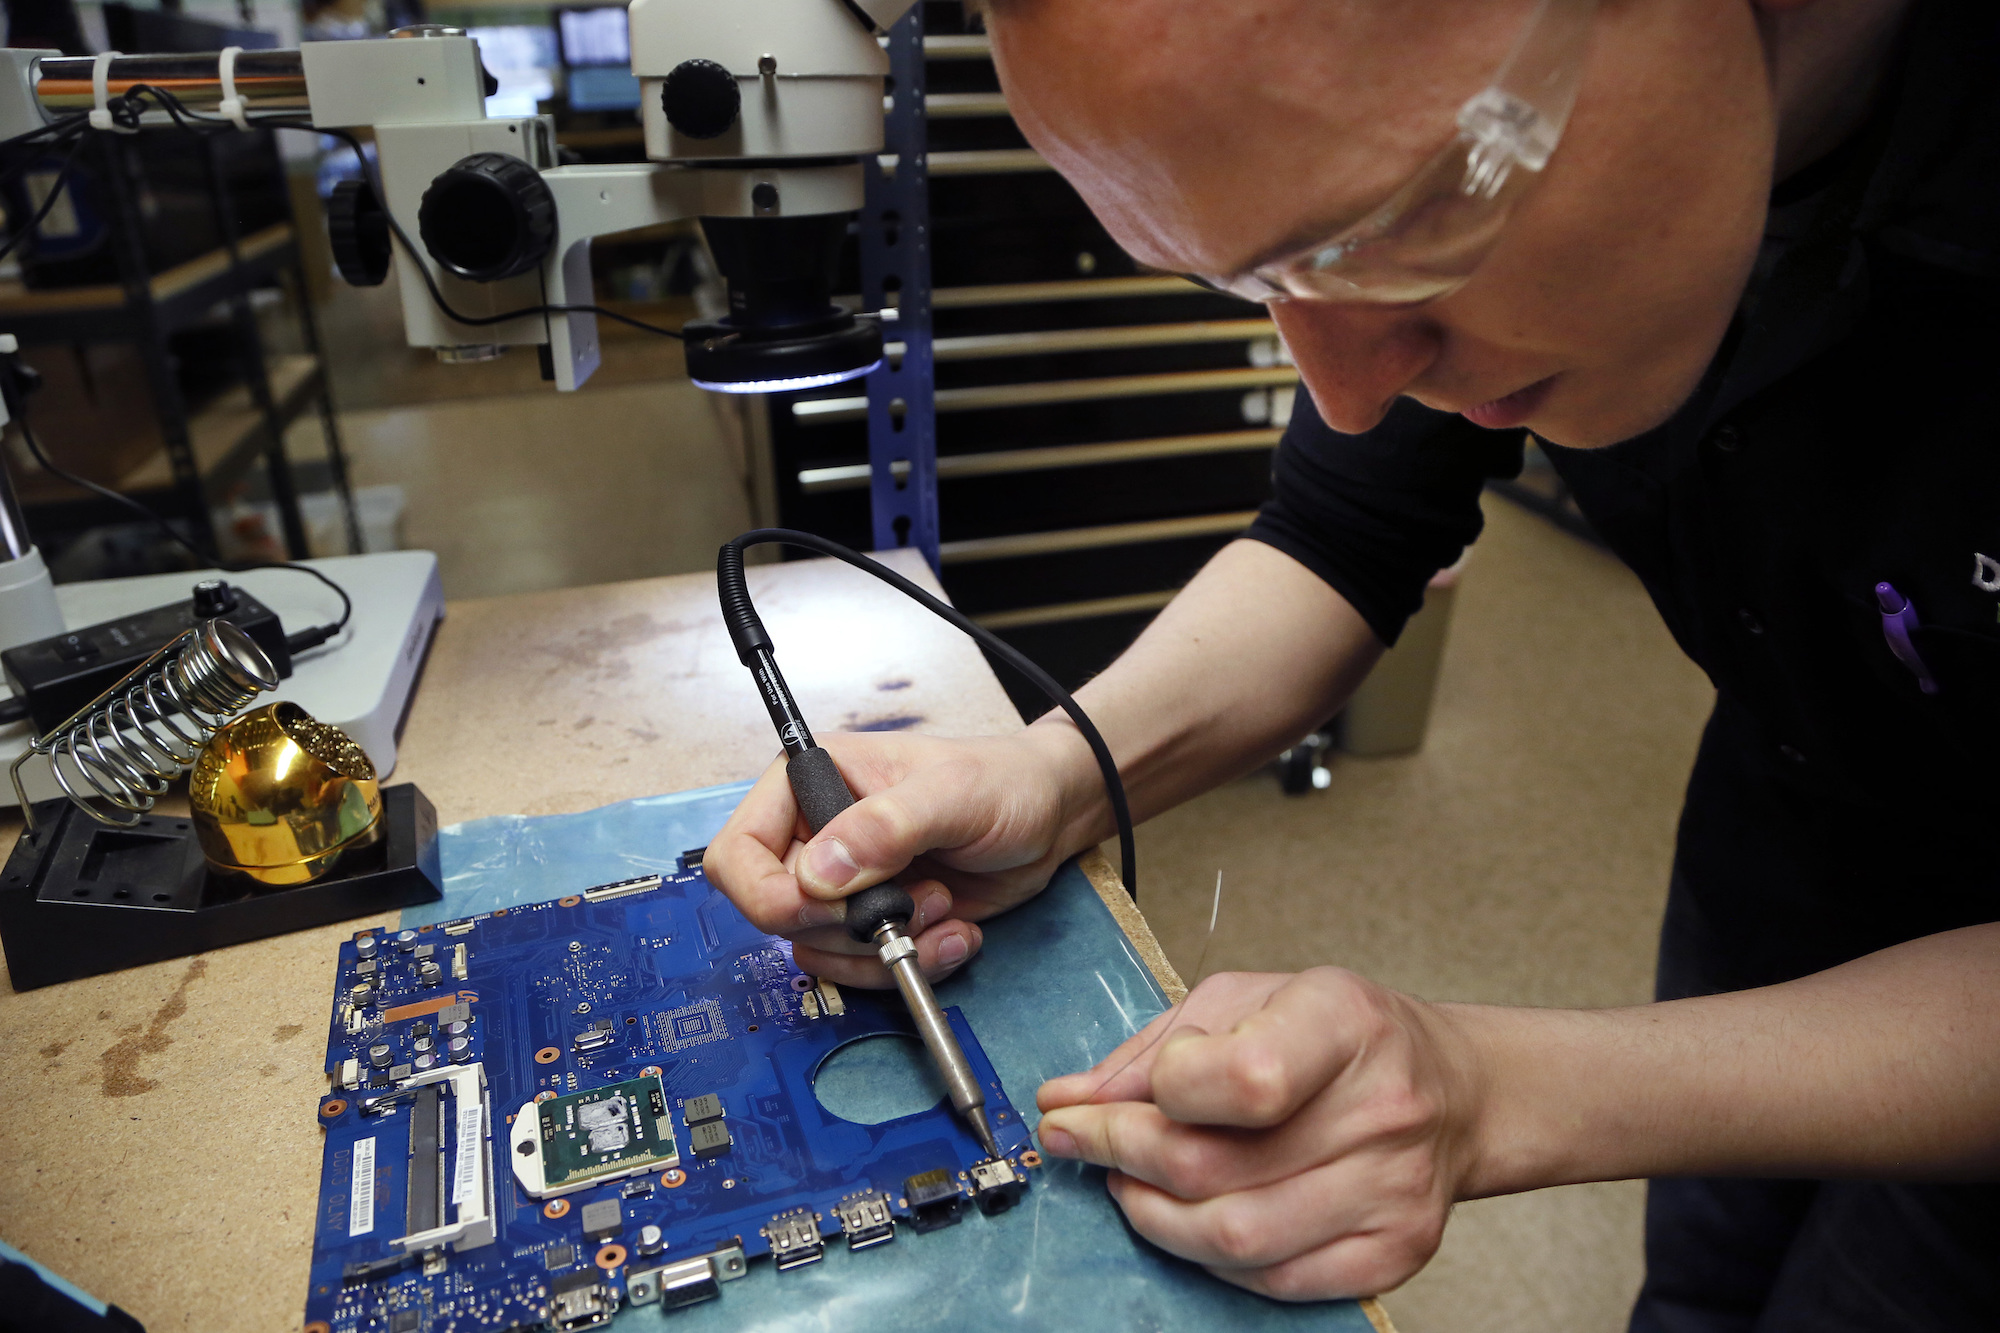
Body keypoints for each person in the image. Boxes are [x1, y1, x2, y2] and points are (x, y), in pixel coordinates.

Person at [706, 0, 2000, 1326]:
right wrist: (1053, 777)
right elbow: (1345, 533)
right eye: (1262, 284)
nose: (1348, 393)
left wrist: (1497, 1090)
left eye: (1385, 237)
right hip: (1801, 791)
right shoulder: (1584, 153)